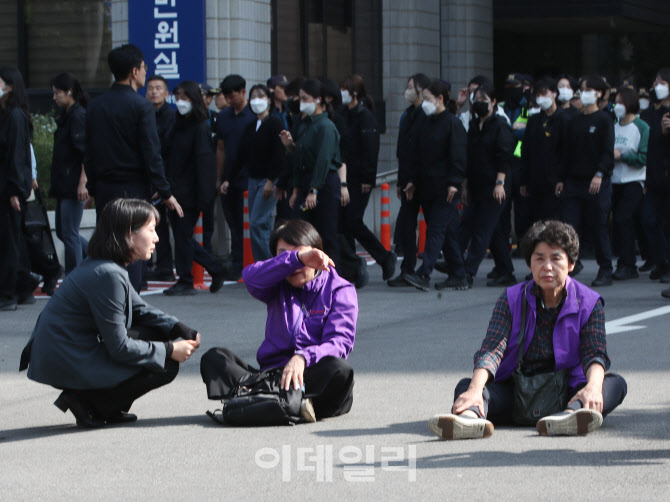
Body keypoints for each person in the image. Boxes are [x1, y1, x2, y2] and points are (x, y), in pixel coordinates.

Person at [429, 220, 627, 440]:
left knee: (614, 384)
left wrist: (592, 388)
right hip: (516, 392)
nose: (547, 267)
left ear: (571, 264)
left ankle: (573, 415)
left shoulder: (589, 302)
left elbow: (595, 353)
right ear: (530, 264)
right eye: (539, 258)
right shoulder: (511, 298)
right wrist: (475, 390)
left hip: (568, 393)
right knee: (467, 385)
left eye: (556, 258)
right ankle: (469, 418)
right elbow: (491, 349)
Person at [19, 199, 201, 428]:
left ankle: (106, 405)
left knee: (155, 334)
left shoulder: (105, 265)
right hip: (66, 358)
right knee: (165, 363)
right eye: (151, 230)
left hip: (66, 350)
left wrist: (177, 327)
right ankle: (86, 402)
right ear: (129, 233)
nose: (156, 237)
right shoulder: (108, 274)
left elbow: (139, 308)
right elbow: (119, 347)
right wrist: (169, 349)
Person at [200, 219, 357, 422]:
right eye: (284, 256)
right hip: (271, 376)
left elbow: (340, 343)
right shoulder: (276, 284)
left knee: (340, 370)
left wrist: (302, 357)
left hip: (310, 374)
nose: (294, 265)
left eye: (301, 253)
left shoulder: (340, 289)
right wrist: (296, 258)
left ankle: (261, 399)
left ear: (317, 253)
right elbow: (249, 277)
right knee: (215, 358)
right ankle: (285, 402)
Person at [84, 44, 183, 293]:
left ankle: (109, 305)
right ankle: (129, 308)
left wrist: (93, 187)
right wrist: (165, 191)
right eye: (143, 68)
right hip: (133, 188)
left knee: (108, 247)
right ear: (133, 71)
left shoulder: (96, 106)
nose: (144, 73)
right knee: (133, 247)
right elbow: (151, 152)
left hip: (106, 189)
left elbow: (89, 151)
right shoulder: (141, 107)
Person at [403, 79, 468, 291]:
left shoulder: (452, 123)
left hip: (446, 189)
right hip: (427, 187)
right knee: (445, 231)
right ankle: (459, 273)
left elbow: (458, 156)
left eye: (428, 99)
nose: (424, 103)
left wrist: (454, 183)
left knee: (436, 231)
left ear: (440, 99)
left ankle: (424, 273)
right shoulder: (425, 122)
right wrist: (412, 180)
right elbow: (417, 155)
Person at [162, 81, 224, 296]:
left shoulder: (200, 126)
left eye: (185, 98)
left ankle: (187, 278)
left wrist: (204, 197)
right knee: (182, 236)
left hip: (190, 193)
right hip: (175, 190)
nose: (180, 102)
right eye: (177, 97)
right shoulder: (176, 123)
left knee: (183, 237)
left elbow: (204, 165)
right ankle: (214, 269)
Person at [339, 74, 397, 282]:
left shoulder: (365, 117)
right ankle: (351, 265)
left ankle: (384, 256)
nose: (341, 93)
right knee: (344, 223)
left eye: (344, 89)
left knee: (352, 221)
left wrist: (367, 178)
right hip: (345, 176)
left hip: (359, 179)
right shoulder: (344, 114)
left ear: (354, 93)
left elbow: (370, 150)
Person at [559, 75, 615, 287]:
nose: (583, 93)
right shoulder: (574, 120)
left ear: (598, 94)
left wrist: (599, 174)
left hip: (596, 181)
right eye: (581, 89)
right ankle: (568, 266)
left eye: (586, 89)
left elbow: (607, 152)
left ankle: (605, 269)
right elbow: (566, 153)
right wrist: (561, 179)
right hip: (573, 181)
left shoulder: (604, 120)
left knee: (598, 225)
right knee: (569, 226)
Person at [281, 79, 342, 268]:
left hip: (323, 184)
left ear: (318, 100)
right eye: (300, 98)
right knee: (301, 232)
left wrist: (313, 190)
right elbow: (300, 158)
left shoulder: (325, 126)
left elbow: (323, 160)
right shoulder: (304, 124)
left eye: (304, 98)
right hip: (306, 182)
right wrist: (296, 189)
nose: (301, 103)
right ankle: (306, 274)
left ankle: (333, 279)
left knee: (327, 233)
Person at [460, 83, 515, 287]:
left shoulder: (500, 125)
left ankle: (468, 271)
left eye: (484, 100)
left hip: (496, 185)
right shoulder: (474, 126)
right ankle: (506, 270)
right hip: (476, 184)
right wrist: (465, 185)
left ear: (493, 102)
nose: (479, 104)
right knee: (493, 230)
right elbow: (469, 157)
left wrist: (500, 182)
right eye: (476, 100)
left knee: (483, 228)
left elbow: (504, 156)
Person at [222, 83, 284, 261]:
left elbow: (279, 156)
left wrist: (271, 181)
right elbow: (240, 156)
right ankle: (264, 264)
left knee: (258, 222)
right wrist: (228, 178)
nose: (257, 101)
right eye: (254, 97)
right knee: (258, 224)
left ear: (269, 101)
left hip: (267, 180)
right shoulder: (251, 126)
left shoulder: (274, 123)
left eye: (261, 96)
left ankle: (270, 263)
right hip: (253, 179)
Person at [388, 73, 430, 287]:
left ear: (422, 91)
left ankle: (450, 268)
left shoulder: (426, 114)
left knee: (434, 226)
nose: (407, 91)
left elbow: (422, 152)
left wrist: (413, 179)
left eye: (410, 87)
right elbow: (402, 151)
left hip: (423, 180)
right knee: (406, 224)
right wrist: (401, 181)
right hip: (407, 180)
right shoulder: (408, 115)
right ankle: (407, 270)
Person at [49, 72, 90, 276]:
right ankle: (94, 254)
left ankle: (74, 278)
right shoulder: (67, 115)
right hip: (64, 182)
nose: (54, 97)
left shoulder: (78, 115)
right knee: (64, 231)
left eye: (57, 93)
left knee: (70, 233)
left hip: (74, 183)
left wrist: (83, 182)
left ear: (69, 92)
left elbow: (85, 152)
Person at [215, 74, 255, 280]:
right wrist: (219, 178)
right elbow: (220, 149)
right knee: (233, 222)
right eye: (226, 97)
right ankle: (237, 260)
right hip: (229, 178)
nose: (229, 100)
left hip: (249, 177)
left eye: (233, 96)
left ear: (242, 92)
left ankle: (249, 262)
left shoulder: (254, 115)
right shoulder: (223, 117)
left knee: (248, 223)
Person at [0, 66, 33, 311]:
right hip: (7, 187)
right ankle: (22, 288)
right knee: (12, 240)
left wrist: (14, 189)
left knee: (9, 241)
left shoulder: (14, 116)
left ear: (9, 85)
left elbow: (16, 156)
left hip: (8, 189)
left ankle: (9, 293)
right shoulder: (8, 114)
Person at [520, 77, 568, 226]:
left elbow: (566, 152)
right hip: (535, 181)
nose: (540, 97)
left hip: (554, 182)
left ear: (554, 93)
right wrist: (524, 180)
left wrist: (561, 179)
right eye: (537, 94)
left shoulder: (564, 119)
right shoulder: (534, 120)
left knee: (552, 222)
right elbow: (526, 150)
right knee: (534, 221)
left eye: (544, 93)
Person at [611, 87, 648, 280]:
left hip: (633, 181)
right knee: (618, 222)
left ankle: (628, 264)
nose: (617, 106)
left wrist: (623, 155)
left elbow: (644, 157)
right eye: (615, 102)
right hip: (614, 180)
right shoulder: (613, 126)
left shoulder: (641, 127)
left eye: (620, 102)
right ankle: (625, 262)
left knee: (623, 219)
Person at [640, 69, 670, 295]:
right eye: (656, 81)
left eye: (662, 82)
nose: (657, 86)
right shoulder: (648, 113)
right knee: (649, 220)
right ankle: (662, 260)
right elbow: (648, 146)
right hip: (654, 177)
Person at [145, 74, 176, 282]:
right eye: (150, 88)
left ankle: (165, 266)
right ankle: (147, 263)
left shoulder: (172, 116)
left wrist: (163, 183)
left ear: (166, 93)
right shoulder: (144, 113)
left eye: (158, 88)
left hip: (165, 179)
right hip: (147, 179)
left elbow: (168, 153)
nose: (154, 92)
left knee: (162, 226)